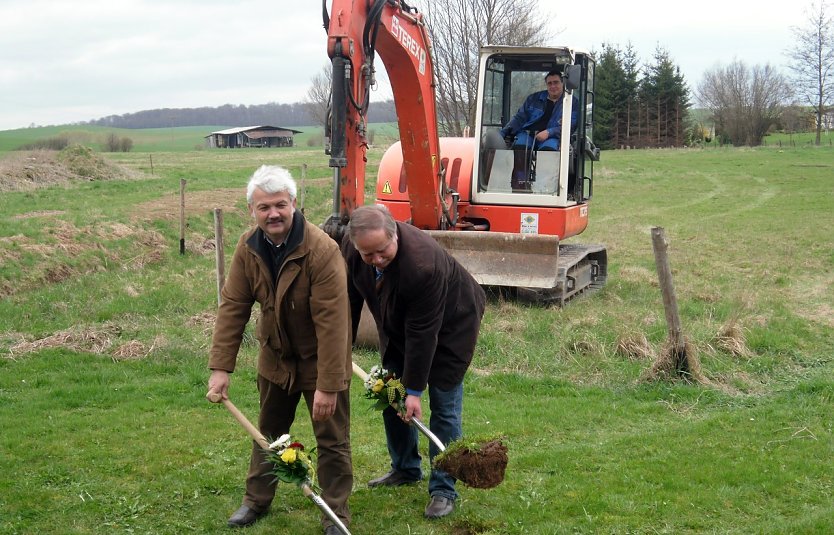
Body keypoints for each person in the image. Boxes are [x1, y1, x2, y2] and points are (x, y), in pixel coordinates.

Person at [207, 165, 353, 535]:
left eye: (280, 205)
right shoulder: (248, 247)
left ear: (294, 203)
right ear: (252, 211)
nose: (273, 214)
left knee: (331, 440)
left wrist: (329, 384)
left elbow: (334, 324)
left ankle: (335, 513)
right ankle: (256, 500)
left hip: (319, 361)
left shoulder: (322, 251)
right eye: (264, 207)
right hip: (274, 359)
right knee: (269, 433)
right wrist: (221, 367)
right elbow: (233, 307)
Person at [341, 204, 486, 520]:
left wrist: (416, 391)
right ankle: (405, 468)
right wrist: (342, 346)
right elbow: (349, 298)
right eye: (368, 256)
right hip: (401, 325)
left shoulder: (422, 264)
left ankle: (444, 489)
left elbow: (423, 333)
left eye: (382, 252)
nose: (376, 260)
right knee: (390, 394)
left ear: (395, 234)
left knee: (444, 407)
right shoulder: (354, 250)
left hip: (452, 325)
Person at [499, 70, 579, 190]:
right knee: (520, 147)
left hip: (552, 137)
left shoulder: (572, 102)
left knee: (549, 151)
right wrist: (503, 133)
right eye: (549, 83)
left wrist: (549, 132)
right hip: (528, 134)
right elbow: (519, 119)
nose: (553, 86)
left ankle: (545, 188)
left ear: (563, 83)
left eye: (556, 82)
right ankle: (519, 186)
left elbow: (570, 125)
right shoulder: (533, 99)